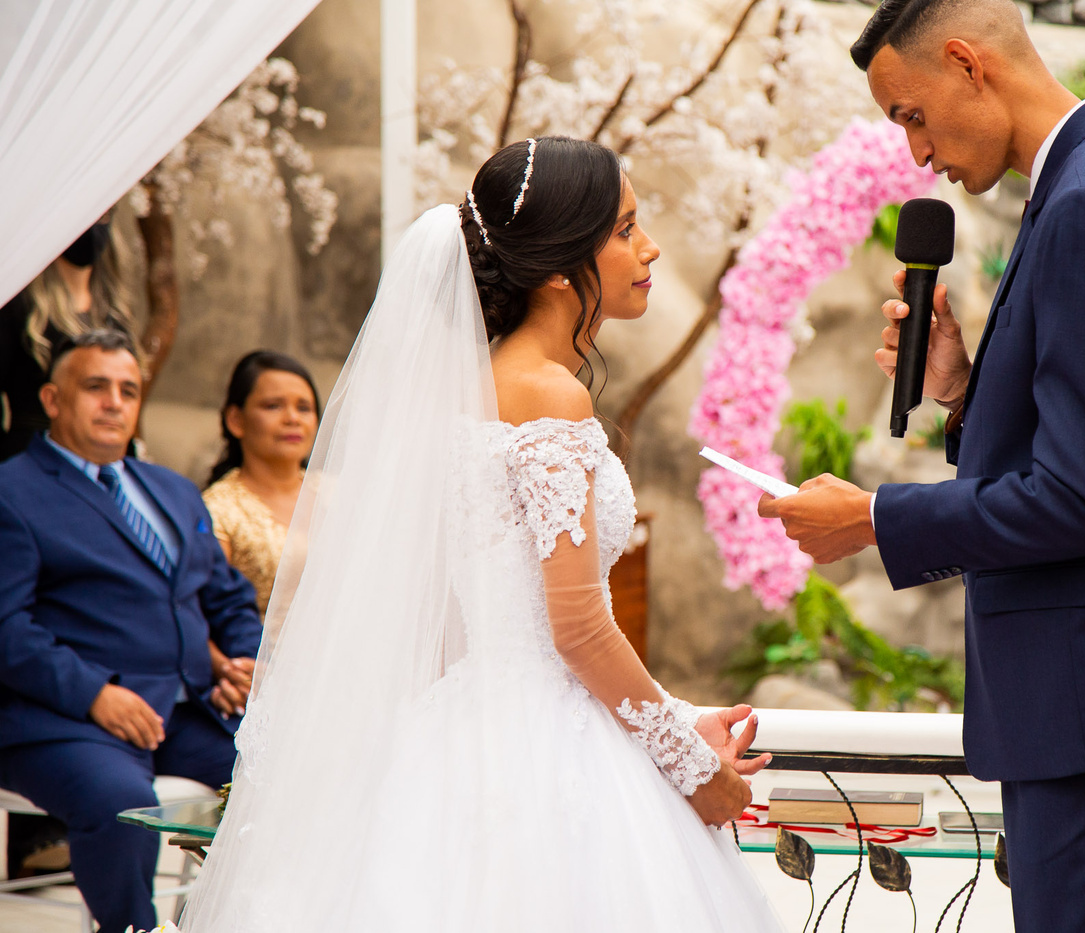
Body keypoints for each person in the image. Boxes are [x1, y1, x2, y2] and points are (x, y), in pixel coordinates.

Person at [174, 137, 783, 933]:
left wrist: (674, 711)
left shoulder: (470, 388)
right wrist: (690, 766)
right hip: (540, 757)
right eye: (625, 228)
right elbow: (576, 626)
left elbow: (498, 619)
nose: (651, 248)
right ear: (560, 268)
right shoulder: (550, 395)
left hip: (463, 729)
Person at [757, 2, 1085, 930]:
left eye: (913, 115)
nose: (918, 154)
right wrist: (964, 394)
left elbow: (1082, 498)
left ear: (967, 62)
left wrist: (874, 519)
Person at [0, 329, 263, 933]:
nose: (114, 402)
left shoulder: (172, 489)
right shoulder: (12, 493)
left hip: (185, 711)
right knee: (122, 805)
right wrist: (95, 694)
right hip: (66, 720)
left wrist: (245, 662)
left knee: (281, 772)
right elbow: (6, 627)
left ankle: (207, 923)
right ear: (52, 399)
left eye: (128, 390)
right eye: (96, 387)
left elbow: (226, 597)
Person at [201, 352, 320, 714]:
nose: (292, 418)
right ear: (235, 420)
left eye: (304, 407)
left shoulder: (345, 494)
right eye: (273, 406)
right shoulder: (217, 509)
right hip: (265, 682)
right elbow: (194, 610)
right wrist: (226, 670)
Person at [0, 216, 137, 461]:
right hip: (35, 456)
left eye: (103, 215)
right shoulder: (18, 307)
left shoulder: (115, 314)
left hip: (105, 461)